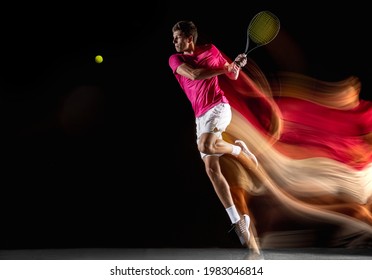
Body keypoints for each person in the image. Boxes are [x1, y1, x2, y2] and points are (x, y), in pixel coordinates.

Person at [169, 20, 258, 248]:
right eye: (174, 38)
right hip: (200, 117)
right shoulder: (175, 59)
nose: (174, 41)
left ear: (190, 38)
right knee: (211, 170)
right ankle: (238, 222)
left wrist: (235, 66)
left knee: (205, 146)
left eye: (178, 37)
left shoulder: (211, 50)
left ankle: (238, 149)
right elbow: (196, 74)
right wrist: (225, 68)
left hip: (218, 108)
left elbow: (233, 76)